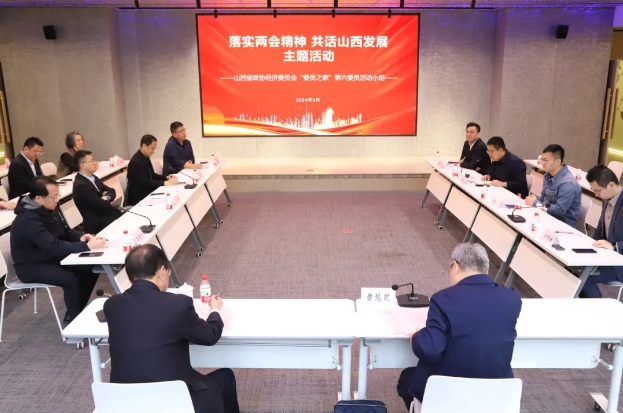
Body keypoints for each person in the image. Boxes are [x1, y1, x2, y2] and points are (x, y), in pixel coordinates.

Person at [104, 244, 240, 413]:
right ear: (161, 271)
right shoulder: (177, 304)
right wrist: (215, 310)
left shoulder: (111, 305)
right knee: (226, 377)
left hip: (126, 402)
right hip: (172, 401)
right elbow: (210, 336)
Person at [396, 243, 521, 412]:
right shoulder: (512, 298)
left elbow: (430, 350)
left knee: (407, 379)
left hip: (450, 393)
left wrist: (418, 337)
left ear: (455, 266)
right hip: (497, 392)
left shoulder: (443, 299)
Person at [10, 176, 106, 324]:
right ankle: (75, 322)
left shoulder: (47, 208)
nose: (57, 200)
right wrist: (86, 247)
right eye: (53, 197)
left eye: (57, 195)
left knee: (89, 268)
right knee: (70, 279)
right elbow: (53, 246)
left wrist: (80, 237)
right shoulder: (27, 220)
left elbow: (64, 232)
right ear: (38, 198)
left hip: (48, 257)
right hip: (31, 266)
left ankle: (76, 311)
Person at [581, 165, 623, 298]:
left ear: (611, 185)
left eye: (597, 191)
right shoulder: (607, 198)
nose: (596, 195)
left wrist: (614, 246)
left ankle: (599, 310)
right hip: (606, 255)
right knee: (573, 269)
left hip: (619, 260)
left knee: (583, 277)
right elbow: (601, 225)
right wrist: (591, 245)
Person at [525, 144, 581, 227]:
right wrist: (535, 200)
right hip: (547, 216)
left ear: (558, 161)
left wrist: (536, 203)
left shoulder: (567, 183)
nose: (542, 163)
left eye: (546, 160)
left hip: (562, 224)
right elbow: (543, 198)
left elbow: (560, 210)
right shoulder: (547, 176)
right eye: (542, 159)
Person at [72, 150, 122, 235]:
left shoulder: (93, 177)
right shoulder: (81, 185)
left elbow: (111, 191)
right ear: (83, 165)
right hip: (98, 224)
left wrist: (106, 198)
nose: (96, 163)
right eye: (92, 160)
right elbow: (102, 206)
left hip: (107, 215)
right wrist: (105, 201)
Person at [127, 134, 179, 206]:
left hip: (148, 191)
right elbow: (146, 182)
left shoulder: (145, 157)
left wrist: (166, 177)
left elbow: (152, 175)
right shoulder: (136, 162)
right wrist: (165, 183)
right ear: (144, 146)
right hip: (140, 198)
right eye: (152, 148)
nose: (154, 151)